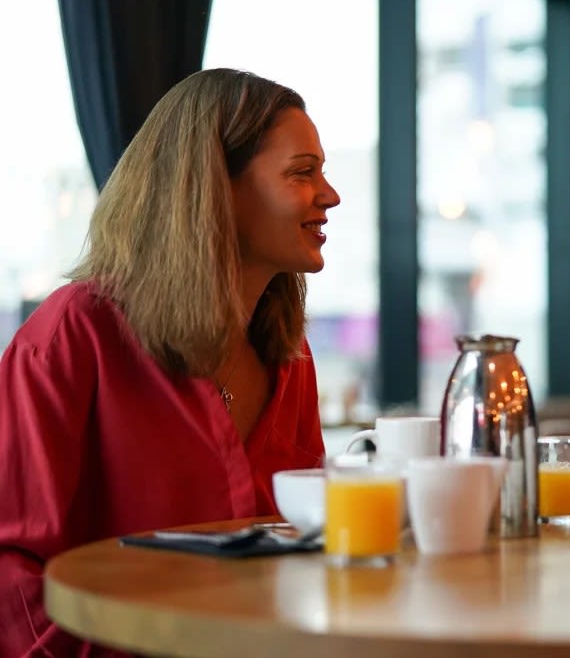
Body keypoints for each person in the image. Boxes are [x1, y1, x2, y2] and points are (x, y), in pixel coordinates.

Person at [0, 68, 340, 656]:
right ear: (215, 187)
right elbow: (10, 567)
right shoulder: (73, 334)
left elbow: (297, 546)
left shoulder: (291, 355)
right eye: (302, 172)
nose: (329, 194)